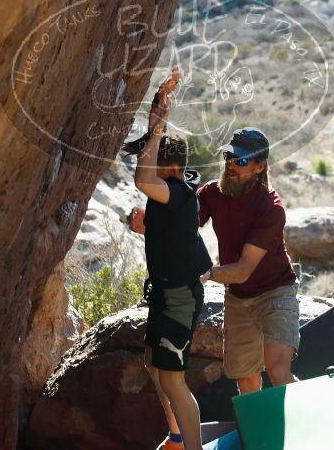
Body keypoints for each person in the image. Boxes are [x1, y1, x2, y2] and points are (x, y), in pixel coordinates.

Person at [123, 67, 212, 450]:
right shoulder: (172, 193)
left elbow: (143, 180)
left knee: (173, 380)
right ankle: (176, 438)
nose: (147, 160)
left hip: (178, 298)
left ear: (169, 165)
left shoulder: (177, 192)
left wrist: (157, 131)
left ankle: (191, 446)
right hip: (165, 293)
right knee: (154, 368)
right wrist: (158, 110)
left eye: (153, 154)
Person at [198, 128, 300, 395]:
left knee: (278, 369)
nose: (231, 165)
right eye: (228, 157)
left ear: (259, 167)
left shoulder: (271, 208)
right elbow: (180, 224)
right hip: (238, 298)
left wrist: (206, 274)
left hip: (276, 293)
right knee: (246, 381)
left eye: (241, 161)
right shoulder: (212, 193)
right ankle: (261, 435)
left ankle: (310, 424)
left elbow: (243, 270)